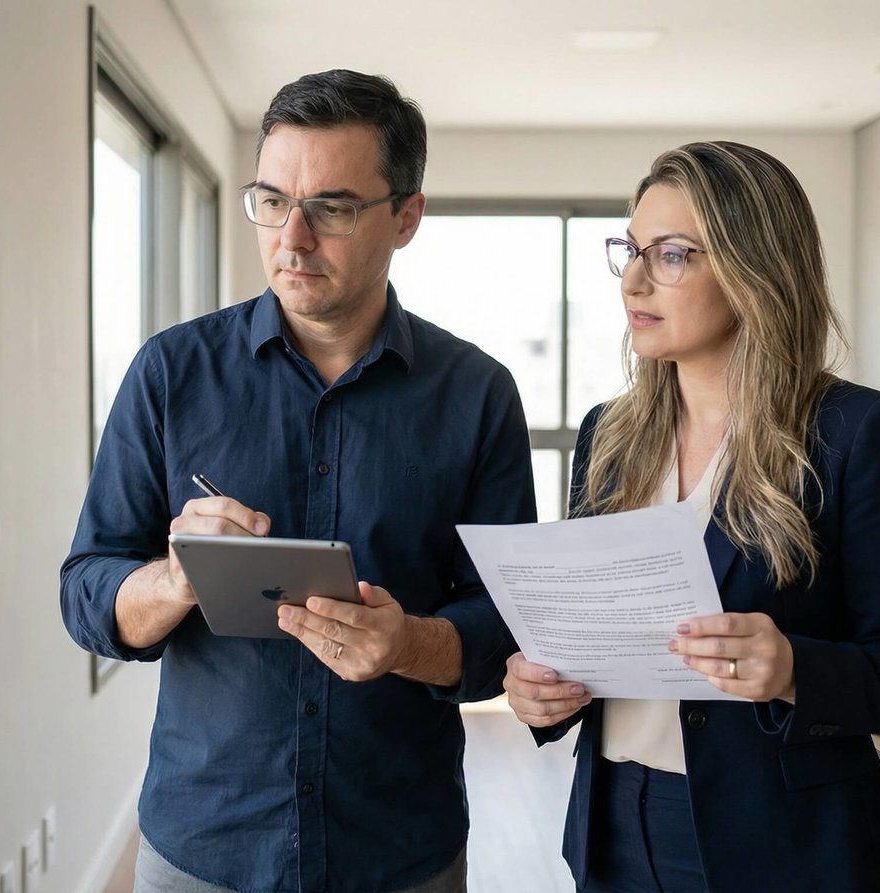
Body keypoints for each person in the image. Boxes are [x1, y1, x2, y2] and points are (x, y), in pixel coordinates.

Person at [60, 69, 535, 893]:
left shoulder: (478, 394)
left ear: (407, 216)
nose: (293, 237)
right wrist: (176, 577)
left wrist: (410, 644)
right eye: (272, 201)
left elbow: (512, 627)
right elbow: (86, 595)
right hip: (205, 845)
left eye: (333, 208)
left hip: (398, 851)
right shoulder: (170, 374)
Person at [502, 141, 880, 892]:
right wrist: (540, 692)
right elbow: (590, 636)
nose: (635, 281)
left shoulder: (856, 432)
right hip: (612, 826)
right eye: (631, 249)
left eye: (674, 253)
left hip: (782, 845)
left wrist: (792, 669)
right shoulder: (607, 435)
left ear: (756, 269)